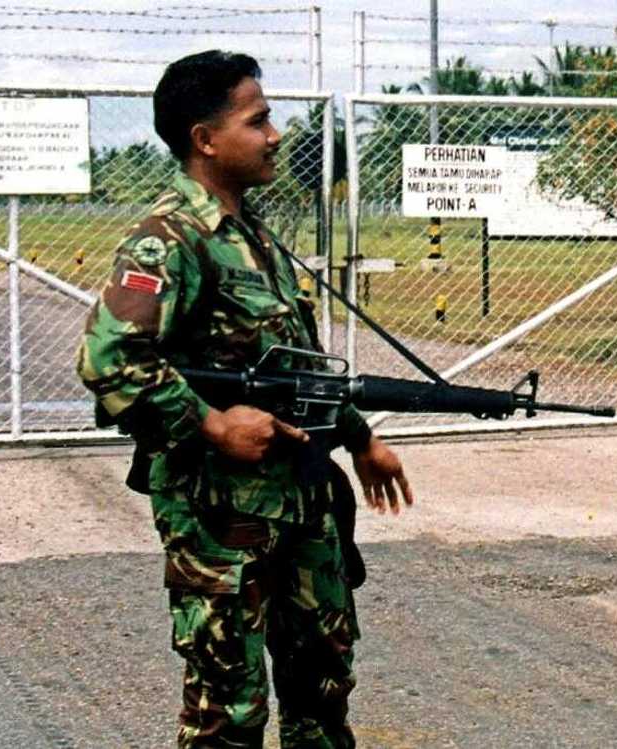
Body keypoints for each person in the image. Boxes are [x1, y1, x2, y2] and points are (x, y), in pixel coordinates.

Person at [77, 50, 414, 747]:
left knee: (322, 689)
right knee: (229, 712)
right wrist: (211, 423)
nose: (275, 134)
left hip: (300, 501)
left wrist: (358, 436)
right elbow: (110, 359)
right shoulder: (170, 240)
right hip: (219, 515)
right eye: (258, 120)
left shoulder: (256, 236)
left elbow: (294, 370)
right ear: (206, 139)